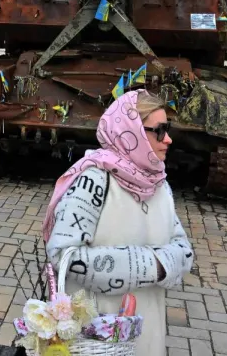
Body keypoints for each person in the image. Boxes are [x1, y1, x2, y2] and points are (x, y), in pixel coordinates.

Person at [43, 90, 194, 356]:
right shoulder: (94, 181)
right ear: (131, 132)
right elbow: (62, 253)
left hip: (147, 329)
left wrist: (160, 264)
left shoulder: (159, 183)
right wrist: (154, 265)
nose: (168, 139)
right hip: (97, 334)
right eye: (159, 131)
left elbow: (184, 250)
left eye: (168, 129)